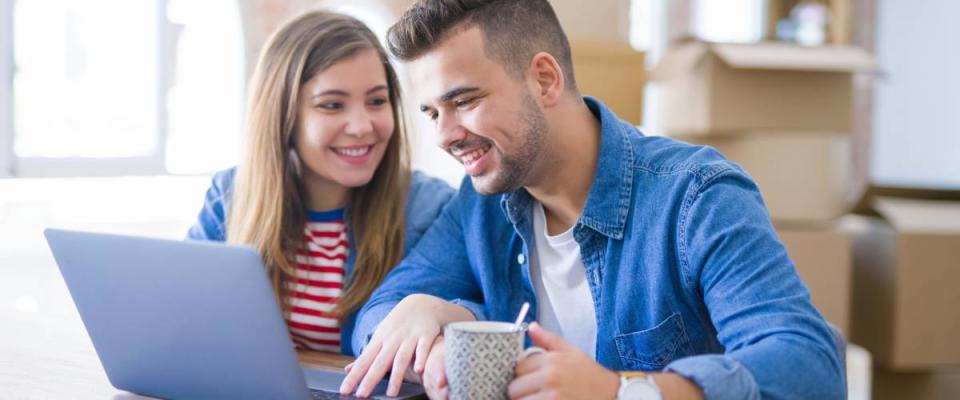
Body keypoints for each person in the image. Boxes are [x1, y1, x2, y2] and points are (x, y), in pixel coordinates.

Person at [339, 0, 845, 399]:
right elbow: (377, 319)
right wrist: (445, 316)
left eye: (464, 101)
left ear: (544, 79)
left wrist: (624, 392)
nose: (446, 136)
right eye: (431, 113)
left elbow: (809, 368)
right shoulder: (482, 200)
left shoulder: (696, 196)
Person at [186, 10, 454, 357]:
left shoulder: (432, 208)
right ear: (283, 116)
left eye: (376, 101)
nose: (361, 126)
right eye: (332, 105)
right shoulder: (229, 195)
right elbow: (187, 316)